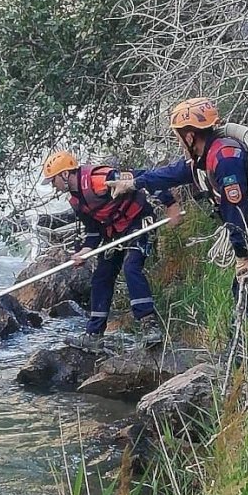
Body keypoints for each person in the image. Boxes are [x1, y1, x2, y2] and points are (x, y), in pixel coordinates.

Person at [109, 97, 248, 293]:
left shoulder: (225, 160)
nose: (179, 142)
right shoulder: (205, 156)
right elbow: (171, 174)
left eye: (178, 136)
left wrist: (242, 255)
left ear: (190, 136)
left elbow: (236, 210)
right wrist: (132, 183)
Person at [41, 150, 181, 352]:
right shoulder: (75, 200)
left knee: (131, 267)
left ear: (65, 174)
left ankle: (149, 325)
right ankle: (94, 335)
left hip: (139, 221)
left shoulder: (100, 179)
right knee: (101, 276)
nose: (53, 186)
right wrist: (85, 251)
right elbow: (93, 231)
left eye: (53, 180)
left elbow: (144, 177)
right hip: (114, 232)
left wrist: (171, 204)